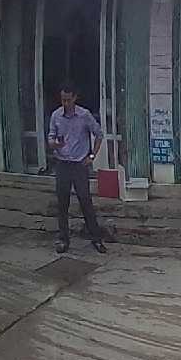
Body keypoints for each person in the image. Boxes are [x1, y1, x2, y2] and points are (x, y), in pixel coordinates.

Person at [47, 83, 107, 254]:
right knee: (62, 202)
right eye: (62, 100)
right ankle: (63, 239)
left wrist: (92, 156)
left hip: (79, 164)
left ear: (74, 98)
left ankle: (96, 238)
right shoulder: (56, 115)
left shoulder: (84, 115)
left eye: (68, 100)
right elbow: (50, 137)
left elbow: (99, 134)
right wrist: (54, 144)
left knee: (85, 201)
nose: (65, 103)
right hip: (62, 163)